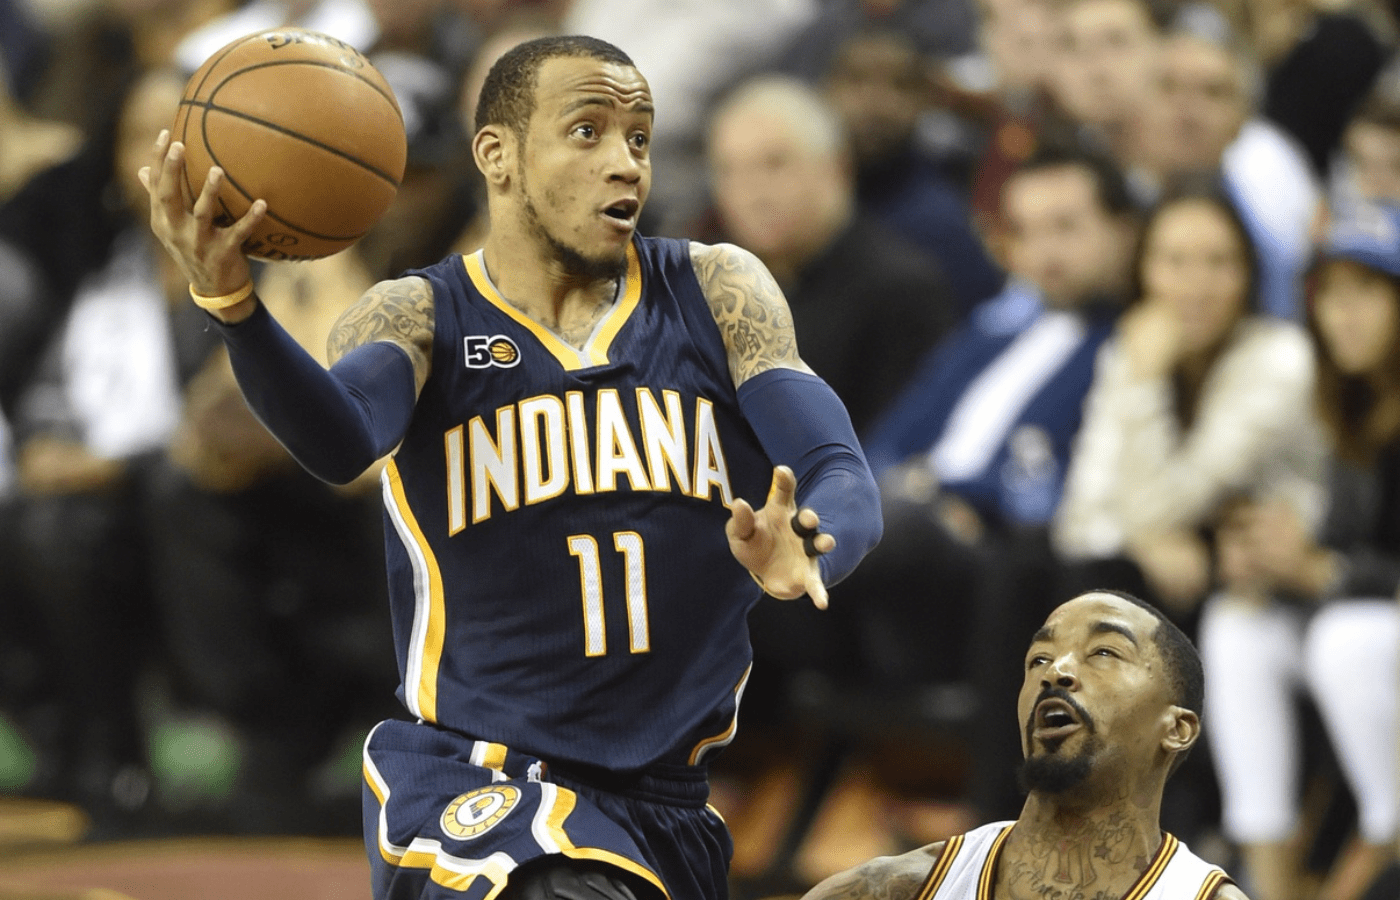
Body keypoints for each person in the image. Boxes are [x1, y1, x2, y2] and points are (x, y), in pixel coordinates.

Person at [140, 32, 882, 900]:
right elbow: (341, 438)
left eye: (639, 138)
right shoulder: (417, 314)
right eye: (588, 131)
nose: (626, 164)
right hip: (480, 779)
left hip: (668, 803)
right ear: (496, 153)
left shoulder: (717, 291)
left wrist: (813, 542)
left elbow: (839, 469)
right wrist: (235, 309)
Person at [800, 588, 1249, 900]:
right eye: (1039, 659)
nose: (1056, 672)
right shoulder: (895, 889)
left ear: (1177, 729)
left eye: (1104, 653)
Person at [1203, 200, 1400, 900]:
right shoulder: (1347, 400)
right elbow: (1347, 550)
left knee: (1348, 639)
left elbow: (1353, 570)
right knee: (1240, 624)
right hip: (1366, 618)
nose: (1343, 314)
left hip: (1371, 631)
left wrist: (1326, 571)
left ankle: (1386, 851)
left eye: (1368, 292)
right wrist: (1274, 563)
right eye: (1331, 294)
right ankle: (1272, 880)